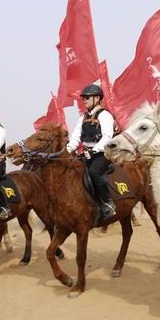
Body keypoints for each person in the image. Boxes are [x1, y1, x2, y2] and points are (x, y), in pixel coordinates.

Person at [66, 84, 117, 221]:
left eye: (87, 97)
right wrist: (67, 151)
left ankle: (108, 203)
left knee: (94, 172)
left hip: (103, 153)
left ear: (97, 98)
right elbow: (76, 137)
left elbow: (107, 136)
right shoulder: (83, 117)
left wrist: (94, 151)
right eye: (83, 98)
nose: (84, 100)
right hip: (86, 153)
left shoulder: (104, 115)